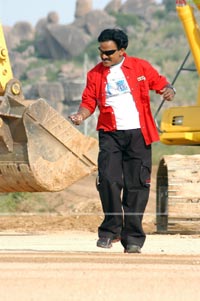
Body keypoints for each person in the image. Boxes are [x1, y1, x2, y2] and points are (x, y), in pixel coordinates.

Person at [69, 28, 175, 253]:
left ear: (122, 51)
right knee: (108, 179)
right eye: (101, 52)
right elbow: (88, 102)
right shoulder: (95, 74)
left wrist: (168, 90)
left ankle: (134, 238)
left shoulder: (140, 67)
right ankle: (110, 230)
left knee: (137, 186)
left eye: (109, 52)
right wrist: (80, 115)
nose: (104, 57)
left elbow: (161, 84)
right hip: (110, 135)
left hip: (139, 134)